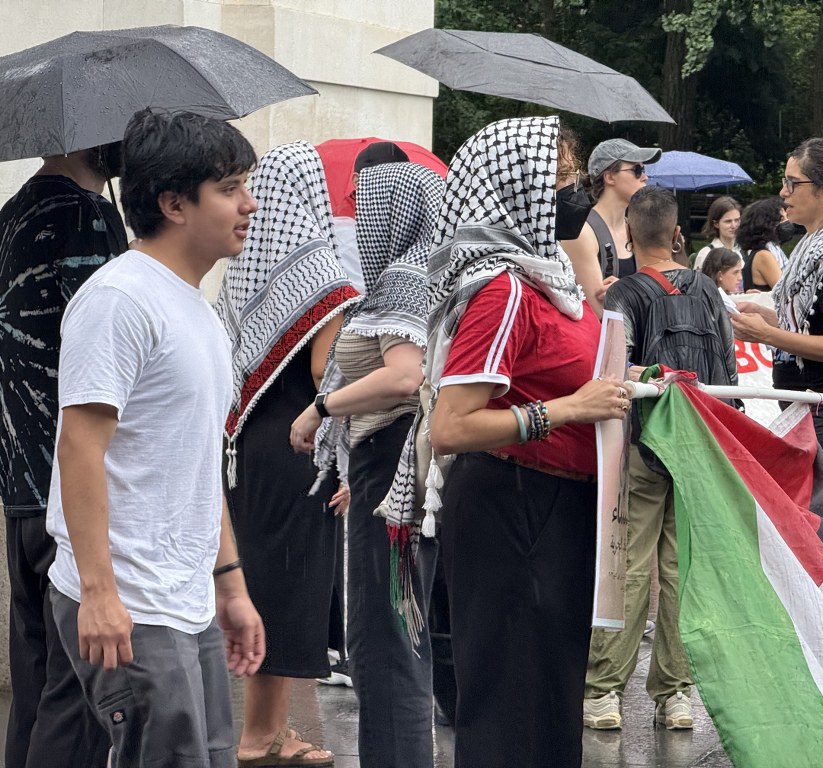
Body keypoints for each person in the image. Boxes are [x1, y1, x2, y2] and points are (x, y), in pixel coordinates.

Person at [45, 109, 266, 768]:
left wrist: (229, 586)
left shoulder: (197, 309)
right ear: (174, 204)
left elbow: (194, 464)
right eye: (229, 188)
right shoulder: (119, 299)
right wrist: (99, 593)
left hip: (186, 600)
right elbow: (79, 448)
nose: (249, 204)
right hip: (130, 600)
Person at [423, 116, 628, 768]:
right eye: (562, 181)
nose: (576, 195)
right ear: (520, 193)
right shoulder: (504, 289)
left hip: (554, 505)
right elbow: (450, 427)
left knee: (549, 691)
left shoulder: (552, 279)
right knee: (512, 696)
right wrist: (567, 409)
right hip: (513, 502)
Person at [290, 161, 444, 768]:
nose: (359, 219)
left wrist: (320, 408)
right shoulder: (422, 272)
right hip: (391, 465)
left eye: (367, 206)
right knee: (391, 636)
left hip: (392, 465)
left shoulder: (404, 278)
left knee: (386, 640)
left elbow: (404, 377)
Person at [215, 141, 357, 766]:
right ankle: (261, 735)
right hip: (300, 447)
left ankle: (266, 730)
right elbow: (327, 370)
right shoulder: (320, 274)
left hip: (250, 448)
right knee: (286, 587)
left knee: (264, 581)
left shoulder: (244, 272)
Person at [584, 185, 737, 732]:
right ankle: (675, 694)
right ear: (677, 234)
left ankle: (604, 691)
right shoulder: (708, 289)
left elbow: (612, 372)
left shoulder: (624, 293)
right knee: (680, 570)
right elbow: (727, 369)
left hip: (642, 443)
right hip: (698, 443)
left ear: (628, 233)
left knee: (628, 565)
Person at [0, 143, 127, 768]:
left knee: (34, 692)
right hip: (74, 491)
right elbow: (111, 351)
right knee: (77, 700)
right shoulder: (88, 217)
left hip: (20, 482)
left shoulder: (9, 215)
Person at [731, 137, 823, 512]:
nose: (783, 193)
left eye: (792, 183)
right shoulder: (814, 242)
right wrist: (767, 319)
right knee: (819, 532)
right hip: (814, 409)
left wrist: (767, 333)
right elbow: (809, 324)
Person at [561, 138, 661, 315]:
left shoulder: (636, 228)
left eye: (644, 170)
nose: (645, 177)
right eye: (637, 170)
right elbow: (598, 311)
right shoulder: (582, 232)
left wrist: (626, 291)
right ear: (609, 177)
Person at [737, 196, 787, 292]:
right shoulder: (763, 256)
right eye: (782, 219)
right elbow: (784, 292)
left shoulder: (767, 251)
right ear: (768, 224)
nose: (787, 222)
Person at [692, 195, 742, 270]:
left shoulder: (742, 252)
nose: (734, 225)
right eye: (728, 221)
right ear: (716, 224)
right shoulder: (706, 254)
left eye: (737, 220)